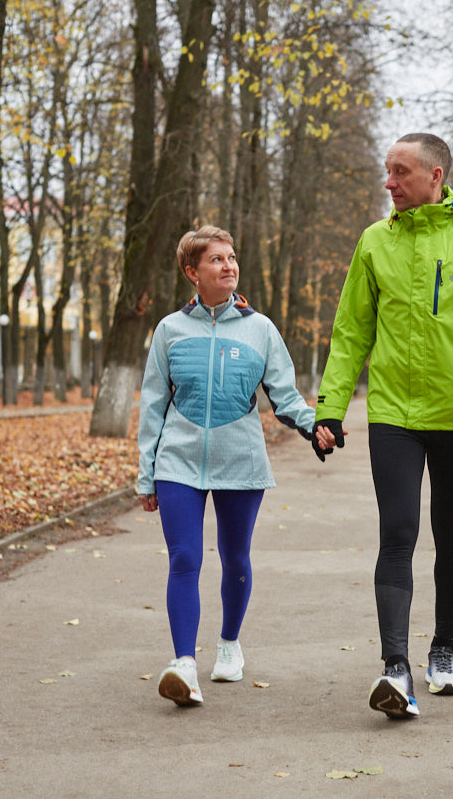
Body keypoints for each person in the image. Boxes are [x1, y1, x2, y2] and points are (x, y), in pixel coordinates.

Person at [313, 133, 453, 719]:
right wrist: (329, 408)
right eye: (387, 171)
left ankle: (442, 651)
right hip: (393, 416)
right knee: (398, 532)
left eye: (400, 172)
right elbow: (352, 328)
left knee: (450, 532)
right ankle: (395, 669)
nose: (389, 182)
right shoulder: (374, 243)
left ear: (436, 176)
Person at [137, 226, 335, 707]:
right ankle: (184, 664)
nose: (229, 266)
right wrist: (147, 472)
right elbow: (153, 404)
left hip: (240, 460)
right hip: (178, 462)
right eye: (217, 260)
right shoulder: (169, 330)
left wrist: (315, 426)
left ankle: (228, 644)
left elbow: (284, 395)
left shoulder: (260, 329)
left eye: (232, 258)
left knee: (235, 557)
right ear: (192, 272)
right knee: (185, 558)